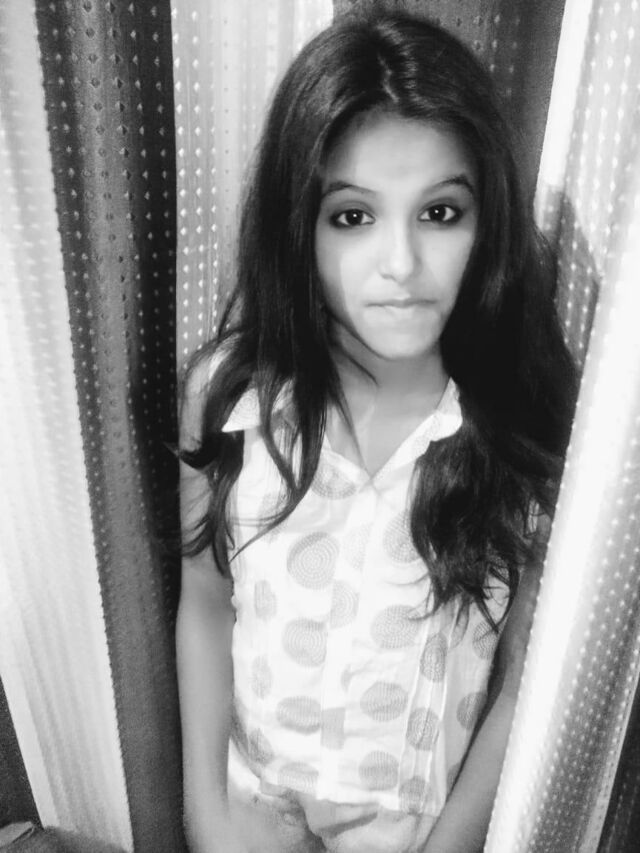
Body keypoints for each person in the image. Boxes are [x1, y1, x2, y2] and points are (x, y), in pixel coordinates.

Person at [176, 10, 577, 853]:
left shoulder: (519, 428)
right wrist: (206, 812)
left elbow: (523, 682)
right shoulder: (229, 395)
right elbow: (206, 597)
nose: (400, 263)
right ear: (300, 222)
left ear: (488, 223)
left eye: (440, 212)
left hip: (413, 829)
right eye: (353, 216)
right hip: (252, 806)